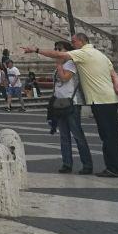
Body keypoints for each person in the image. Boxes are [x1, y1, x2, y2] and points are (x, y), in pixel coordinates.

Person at [24, 33, 118, 178]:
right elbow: (114, 74)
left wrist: (36, 50)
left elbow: (61, 67)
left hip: (98, 99)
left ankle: (112, 168)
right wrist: (116, 85)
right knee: (113, 135)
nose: (72, 45)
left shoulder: (83, 54)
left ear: (81, 42)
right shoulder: (100, 55)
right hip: (108, 98)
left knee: (106, 136)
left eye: (74, 42)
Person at [42, 40, 93, 174]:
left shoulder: (72, 64)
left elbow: (64, 78)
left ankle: (87, 164)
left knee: (77, 135)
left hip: (72, 103)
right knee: (64, 135)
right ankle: (67, 163)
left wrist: (59, 65)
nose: (57, 51)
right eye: (55, 48)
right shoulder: (61, 64)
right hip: (59, 103)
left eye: (59, 48)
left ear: (67, 51)